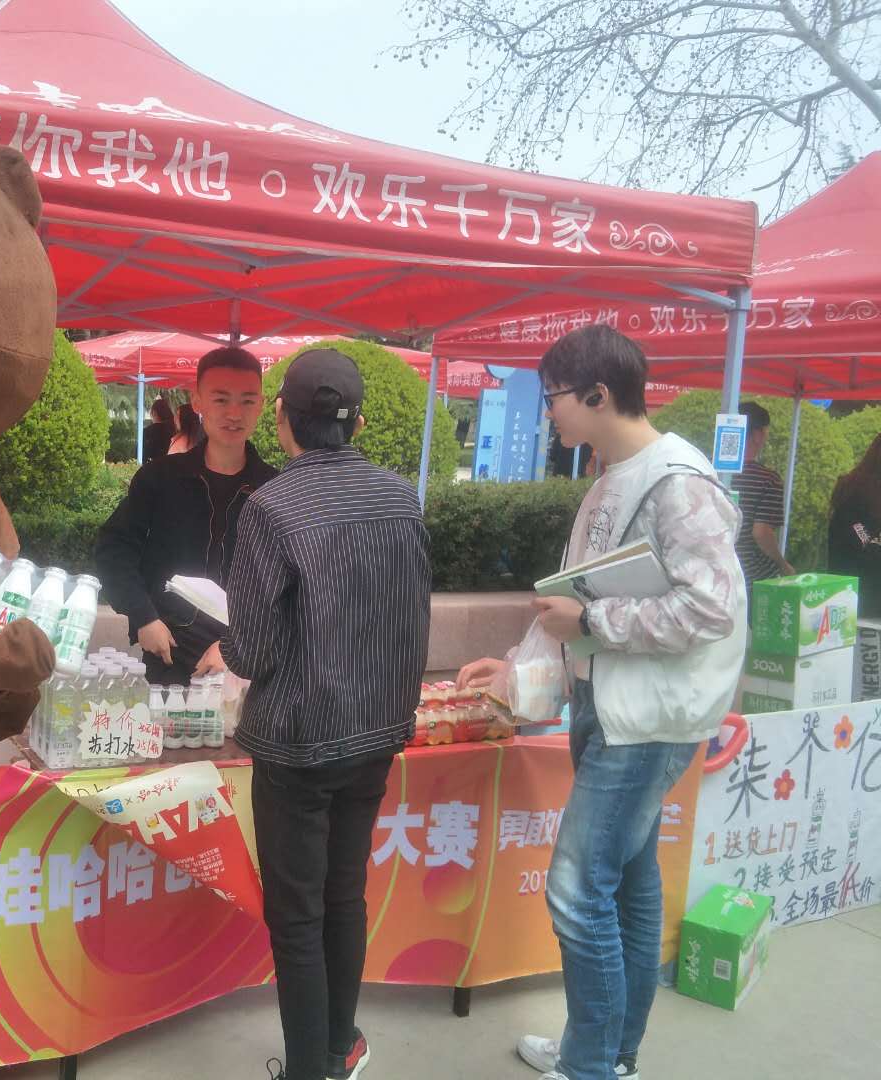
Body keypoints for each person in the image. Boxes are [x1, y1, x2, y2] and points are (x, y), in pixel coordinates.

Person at [458, 325, 746, 1080]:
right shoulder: (612, 476)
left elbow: (711, 609)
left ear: (597, 394)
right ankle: (608, 1055)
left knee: (578, 890)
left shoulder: (678, 483)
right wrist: (517, 666)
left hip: (645, 722)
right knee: (627, 888)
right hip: (609, 706)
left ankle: (590, 1067)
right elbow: (573, 595)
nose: (548, 410)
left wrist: (592, 622)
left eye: (554, 395)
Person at [220, 349, 431, 1080]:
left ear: (281, 418)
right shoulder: (402, 500)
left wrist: (224, 636)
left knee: (298, 916)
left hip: (299, 741)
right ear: (359, 422)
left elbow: (250, 650)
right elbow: (412, 618)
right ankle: (340, 1047)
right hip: (377, 730)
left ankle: (312, 1068)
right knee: (344, 895)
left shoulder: (271, 507)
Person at [95, 347, 276, 686]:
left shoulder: (274, 489)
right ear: (197, 401)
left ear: (261, 406)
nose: (234, 413)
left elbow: (287, 588)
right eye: (221, 399)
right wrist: (143, 615)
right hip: (169, 655)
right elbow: (113, 549)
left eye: (247, 401)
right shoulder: (160, 478)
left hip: (248, 668)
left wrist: (236, 647)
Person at [732, 400, 795, 585]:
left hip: (712, 573)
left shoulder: (710, 470)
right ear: (757, 435)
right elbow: (761, 532)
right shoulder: (768, 479)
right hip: (752, 577)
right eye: (766, 432)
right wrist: (783, 565)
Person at [828, 431, 881, 618]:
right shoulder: (854, 494)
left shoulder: (854, 486)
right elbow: (864, 542)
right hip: (859, 597)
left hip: (851, 594)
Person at [142, 396, 176, 463]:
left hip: (152, 465)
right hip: (171, 465)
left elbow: (142, 453)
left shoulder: (148, 431)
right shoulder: (174, 430)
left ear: (154, 413)